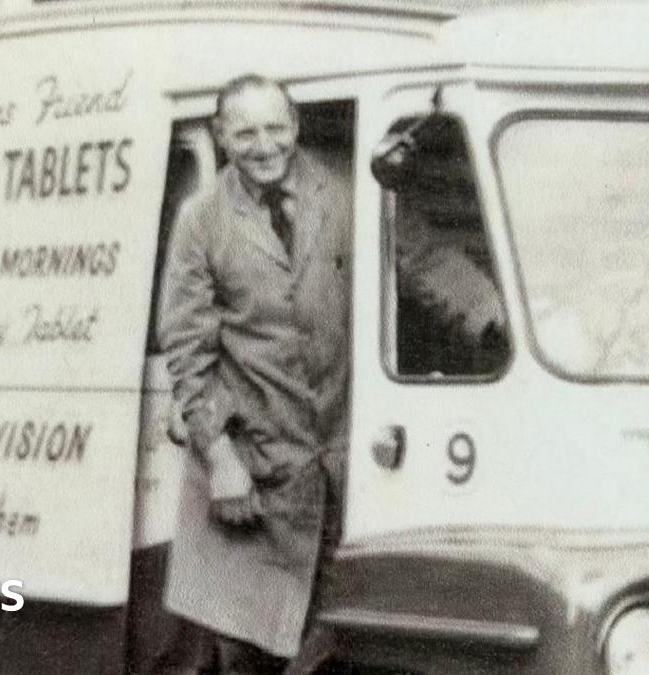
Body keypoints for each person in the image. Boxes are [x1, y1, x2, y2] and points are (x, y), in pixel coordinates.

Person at [158, 74, 506, 673]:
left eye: (274, 129)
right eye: (244, 133)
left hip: (335, 470)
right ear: (221, 135)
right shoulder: (201, 219)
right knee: (246, 651)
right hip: (251, 472)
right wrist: (220, 460)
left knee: (331, 647)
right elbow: (188, 348)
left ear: (293, 125)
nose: (263, 146)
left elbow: (421, 258)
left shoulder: (346, 187)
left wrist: (496, 320)